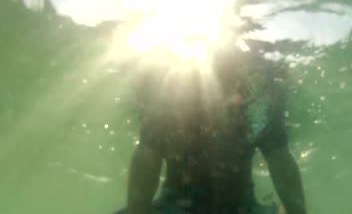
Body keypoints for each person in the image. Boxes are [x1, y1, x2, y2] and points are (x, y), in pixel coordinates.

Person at [120, 38, 307, 214]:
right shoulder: (169, 111)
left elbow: (280, 161)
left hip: (198, 206)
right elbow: (280, 161)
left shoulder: (252, 111)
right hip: (222, 206)